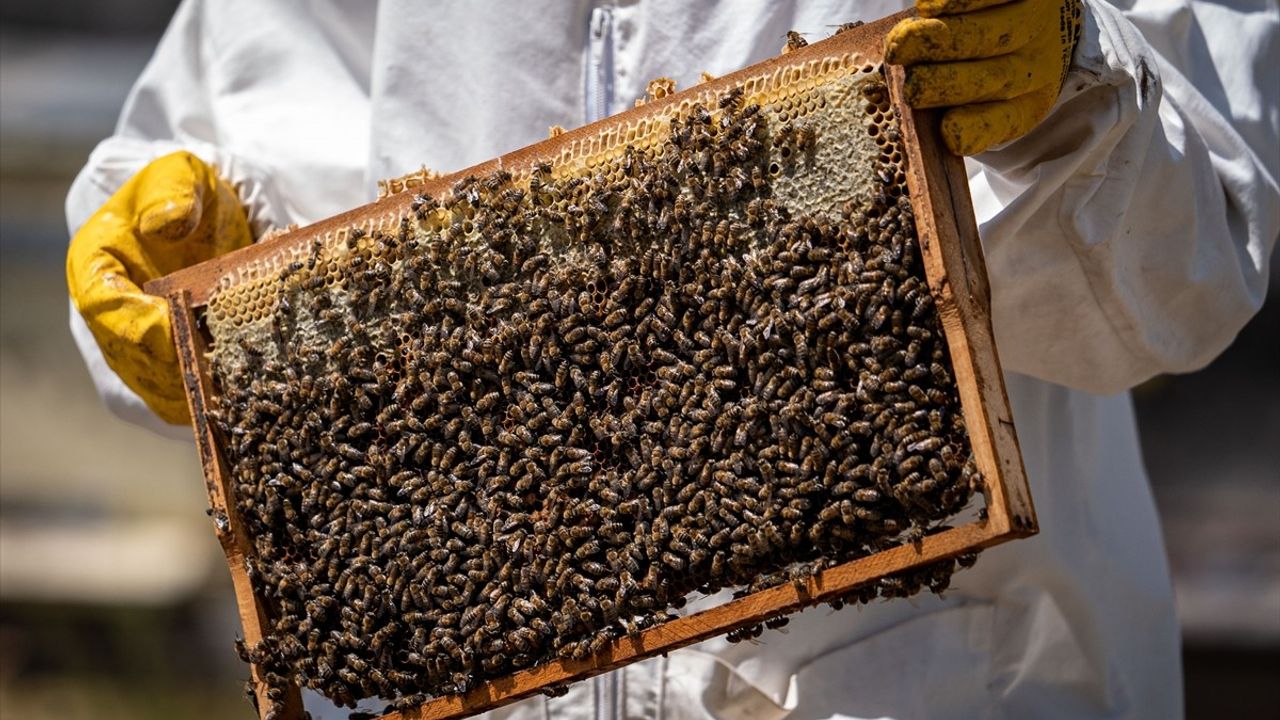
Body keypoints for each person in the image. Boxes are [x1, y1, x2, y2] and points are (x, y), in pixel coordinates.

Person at [65, 1, 1278, 718]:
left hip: (929, 680)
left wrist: (1079, 87)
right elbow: (231, 124)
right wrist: (178, 254)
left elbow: (1184, 270)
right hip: (430, 658)